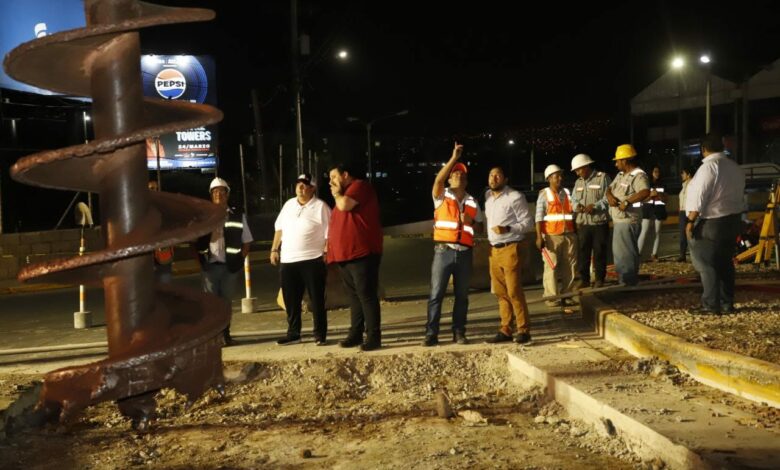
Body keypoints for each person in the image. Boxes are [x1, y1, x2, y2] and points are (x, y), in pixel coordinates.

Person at [423, 143, 485, 347]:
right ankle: (431, 334)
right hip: (443, 252)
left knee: (462, 296)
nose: (459, 176)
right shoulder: (441, 196)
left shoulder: (473, 201)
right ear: (450, 178)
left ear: (466, 181)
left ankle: (459, 332)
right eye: (455, 174)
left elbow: (481, 228)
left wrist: (472, 222)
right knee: (436, 295)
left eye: (462, 175)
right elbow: (437, 179)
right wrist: (453, 159)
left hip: (465, 253)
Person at [685, 133, 745, 315]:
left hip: (712, 222)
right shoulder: (735, 167)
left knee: (705, 263)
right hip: (732, 220)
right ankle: (727, 303)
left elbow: (700, 196)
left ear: (703, 149)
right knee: (725, 263)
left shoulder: (708, 168)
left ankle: (710, 304)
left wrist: (690, 221)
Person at [327, 163, 383, 351]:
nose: (331, 182)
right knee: (354, 296)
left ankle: (374, 336)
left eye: (334, 177)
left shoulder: (359, 186)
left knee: (366, 295)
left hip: (362, 253)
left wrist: (336, 194)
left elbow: (345, 205)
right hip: (345, 254)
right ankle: (356, 334)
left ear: (345, 175)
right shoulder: (343, 195)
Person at [270, 173, 331, 346]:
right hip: (288, 260)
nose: (301, 187)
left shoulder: (321, 207)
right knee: (291, 300)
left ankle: (319, 334)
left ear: (313, 188)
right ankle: (293, 333)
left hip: (312, 259)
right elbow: (279, 229)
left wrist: (326, 253)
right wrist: (274, 249)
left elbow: (329, 234)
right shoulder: (289, 205)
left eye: (305, 185)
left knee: (317, 299)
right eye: (298, 184)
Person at [195, 177, 253, 345]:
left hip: (230, 268)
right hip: (210, 266)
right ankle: (213, 337)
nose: (218, 194)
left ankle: (225, 335)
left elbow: (247, 241)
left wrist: (239, 260)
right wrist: (200, 263)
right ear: (211, 195)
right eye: (215, 191)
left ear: (227, 194)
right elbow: (194, 243)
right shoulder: (203, 216)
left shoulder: (237, 215)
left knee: (226, 304)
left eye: (222, 191)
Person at [484, 166, 534, 344]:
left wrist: (508, 228)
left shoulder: (515, 197)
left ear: (505, 179)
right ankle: (506, 328)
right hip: (493, 250)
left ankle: (523, 329)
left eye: (498, 175)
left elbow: (528, 223)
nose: (494, 178)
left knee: (513, 291)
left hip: (511, 247)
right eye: (491, 175)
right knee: (500, 292)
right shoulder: (488, 198)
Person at [606, 144, 650, 286]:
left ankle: (628, 282)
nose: (616, 163)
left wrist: (627, 202)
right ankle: (624, 281)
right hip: (619, 221)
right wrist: (609, 196)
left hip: (628, 220)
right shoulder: (620, 175)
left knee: (626, 254)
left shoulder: (638, 175)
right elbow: (609, 188)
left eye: (618, 160)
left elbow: (645, 192)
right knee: (620, 254)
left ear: (625, 160)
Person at [535, 165, 578, 306]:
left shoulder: (567, 192)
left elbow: (572, 212)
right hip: (551, 236)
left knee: (570, 267)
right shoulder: (544, 195)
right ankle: (551, 297)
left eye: (560, 175)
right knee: (551, 267)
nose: (560, 178)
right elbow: (538, 218)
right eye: (556, 176)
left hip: (569, 235)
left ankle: (568, 295)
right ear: (549, 178)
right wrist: (539, 237)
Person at [570, 153, 611, 288]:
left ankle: (599, 279)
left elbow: (608, 198)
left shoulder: (603, 178)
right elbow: (574, 199)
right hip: (584, 223)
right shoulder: (578, 182)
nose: (577, 173)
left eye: (578, 169)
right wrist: (578, 206)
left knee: (599, 251)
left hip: (599, 222)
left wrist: (595, 206)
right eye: (575, 170)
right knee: (583, 252)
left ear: (586, 166)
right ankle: (584, 279)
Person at [637, 165, 668, 262]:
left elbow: (666, 199)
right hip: (647, 211)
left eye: (658, 171)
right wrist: (650, 196)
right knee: (644, 232)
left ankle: (654, 255)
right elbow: (642, 199)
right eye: (655, 171)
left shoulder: (663, 184)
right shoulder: (646, 184)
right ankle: (638, 254)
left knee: (657, 233)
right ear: (651, 172)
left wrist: (659, 194)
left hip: (659, 211)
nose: (657, 173)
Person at [148, 179, 174, 284]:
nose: (154, 191)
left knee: (165, 292)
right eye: (151, 189)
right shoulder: (140, 210)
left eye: (156, 188)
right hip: (147, 261)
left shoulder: (165, 208)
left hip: (164, 258)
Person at [676, 167, 694, 262]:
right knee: (682, 234)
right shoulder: (684, 185)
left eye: (683, 173)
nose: (681, 175)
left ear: (689, 174)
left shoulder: (693, 184)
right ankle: (682, 255)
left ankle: (692, 254)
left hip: (689, 211)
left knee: (689, 233)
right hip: (683, 211)